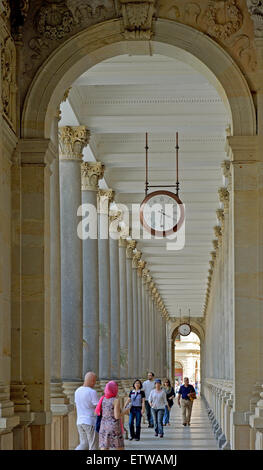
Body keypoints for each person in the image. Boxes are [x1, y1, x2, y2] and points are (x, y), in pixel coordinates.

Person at [95, 381, 124, 450]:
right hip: (114, 426)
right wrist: (125, 412)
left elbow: (98, 412)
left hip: (104, 426)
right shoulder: (115, 400)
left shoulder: (102, 399)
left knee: (104, 447)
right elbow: (117, 416)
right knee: (119, 447)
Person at [74, 371, 99, 450]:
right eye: (94, 381)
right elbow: (97, 407)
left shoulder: (77, 391)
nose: (95, 383)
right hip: (90, 421)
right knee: (93, 445)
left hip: (80, 421)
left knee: (84, 444)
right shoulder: (92, 392)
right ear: (92, 380)